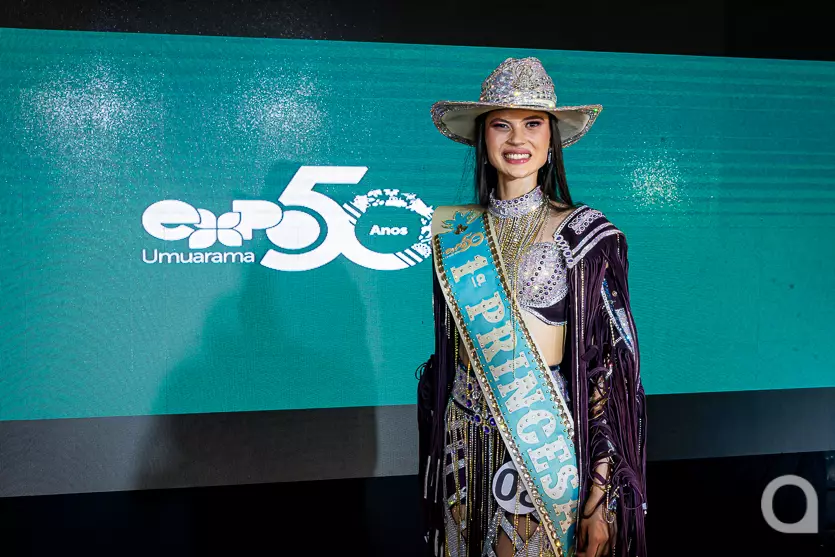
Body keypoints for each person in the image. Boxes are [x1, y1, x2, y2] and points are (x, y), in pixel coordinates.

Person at [416, 57, 647, 557]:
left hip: (544, 445)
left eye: (532, 124)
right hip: (462, 446)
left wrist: (598, 501)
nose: (516, 139)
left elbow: (610, 370)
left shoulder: (586, 234)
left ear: (551, 140)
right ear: (483, 136)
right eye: (501, 124)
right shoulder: (453, 231)